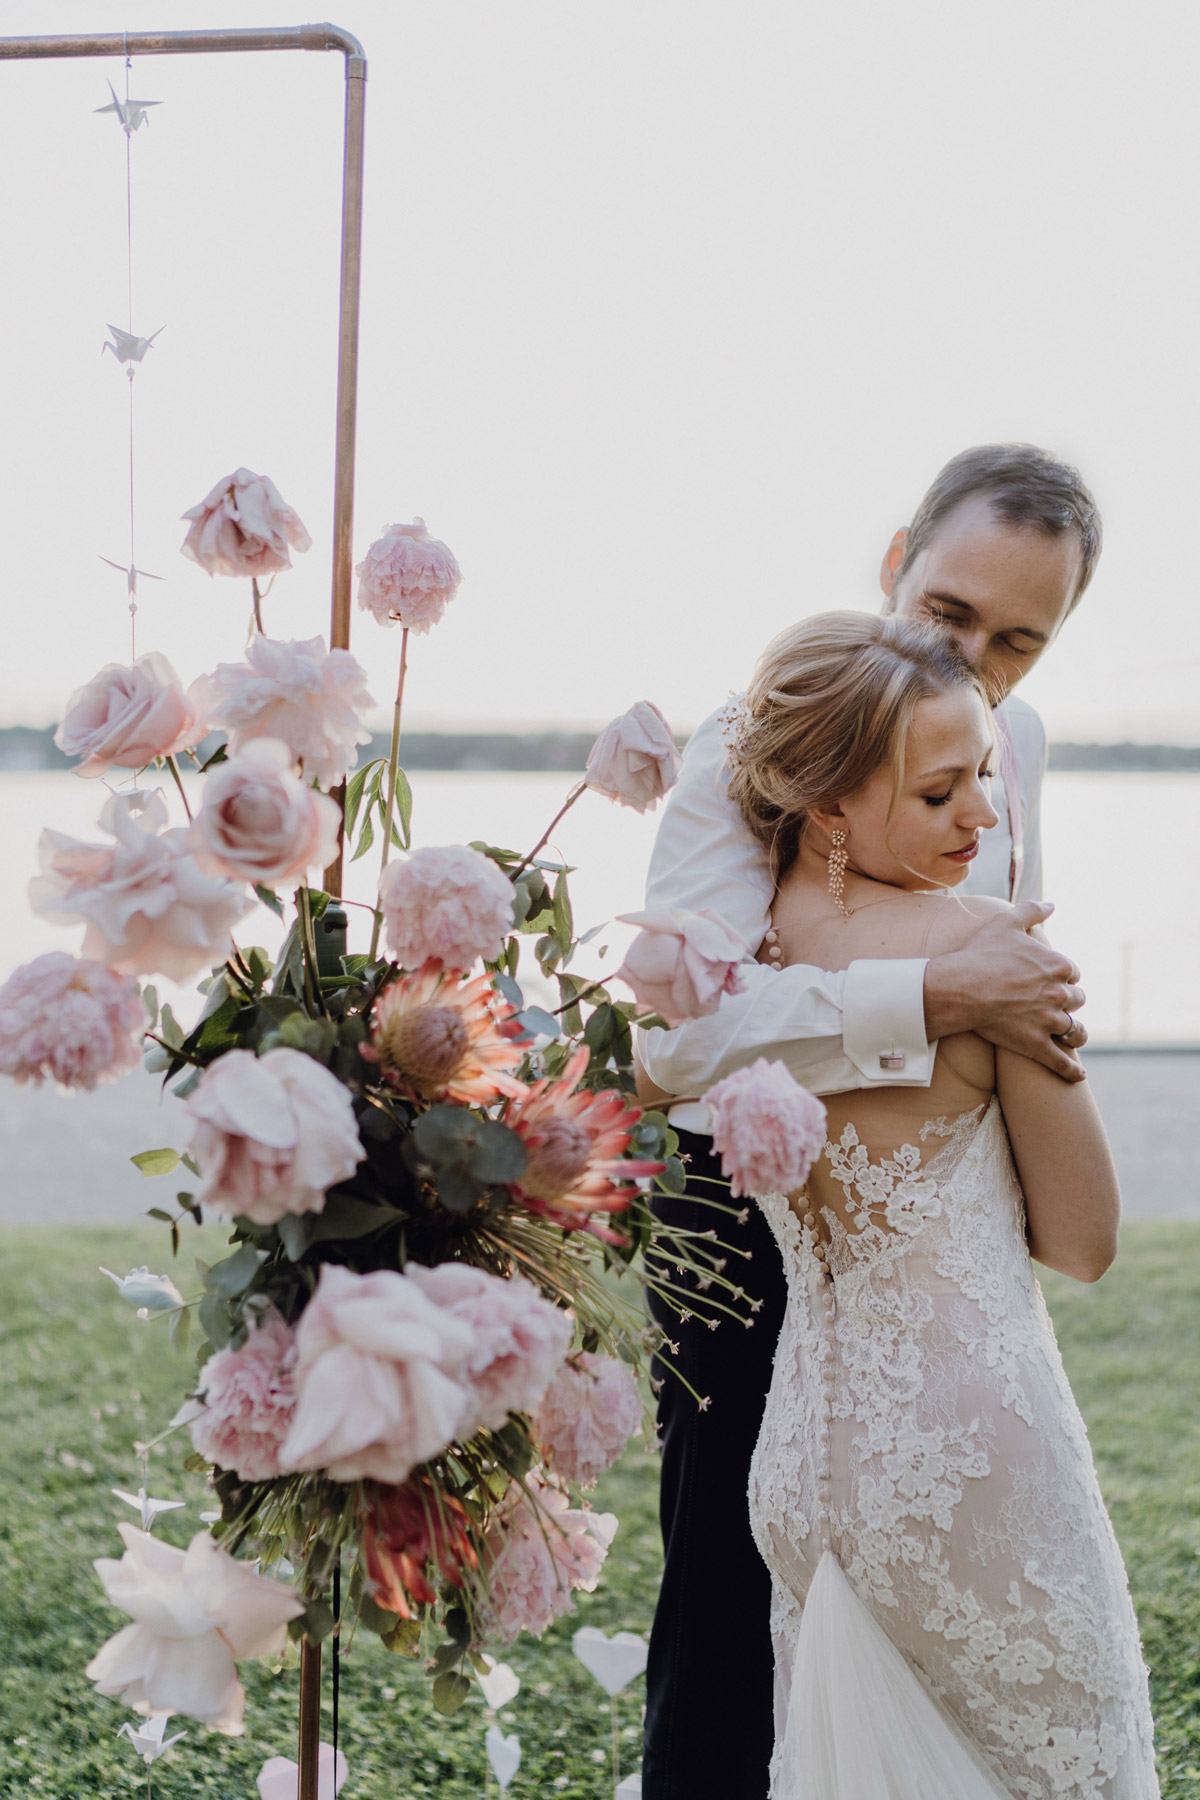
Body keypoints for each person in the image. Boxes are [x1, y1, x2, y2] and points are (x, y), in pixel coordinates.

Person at [639, 445, 1103, 1799]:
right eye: (952, 613)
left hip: (935, 1253)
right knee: (728, 1602)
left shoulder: (1013, 739)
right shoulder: (754, 744)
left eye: (1021, 639)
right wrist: (933, 988)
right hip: (743, 1209)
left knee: (935, 1610)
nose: (979, 658)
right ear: (896, 559)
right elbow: (676, 1041)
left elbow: (1012, 951)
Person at [731, 611, 1156, 1796]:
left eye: (981, 775)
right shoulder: (984, 950)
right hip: (972, 1455)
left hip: (803, 1466)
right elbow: (1083, 1240)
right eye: (936, 795)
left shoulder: (734, 970)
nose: (979, 816)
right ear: (828, 808)